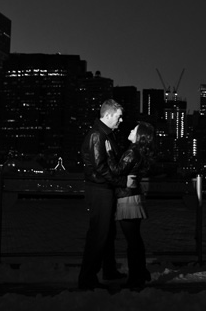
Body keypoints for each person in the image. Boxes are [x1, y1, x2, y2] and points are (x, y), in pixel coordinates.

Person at [77, 99, 129, 290]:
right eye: (118, 116)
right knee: (99, 235)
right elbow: (100, 168)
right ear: (107, 115)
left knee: (106, 234)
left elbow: (104, 166)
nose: (120, 120)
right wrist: (122, 182)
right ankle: (87, 278)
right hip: (100, 190)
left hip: (103, 189)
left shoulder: (103, 135)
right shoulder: (98, 136)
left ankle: (108, 270)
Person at [109, 121, 155, 288]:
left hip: (127, 199)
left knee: (132, 242)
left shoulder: (131, 152)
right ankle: (140, 272)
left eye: (134, 129)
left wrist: (108, 153)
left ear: (139, 136)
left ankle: (136, 277)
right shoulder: (139, 152)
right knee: (135, 240)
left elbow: (115, 171)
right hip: (134, 198)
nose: (130, 129)